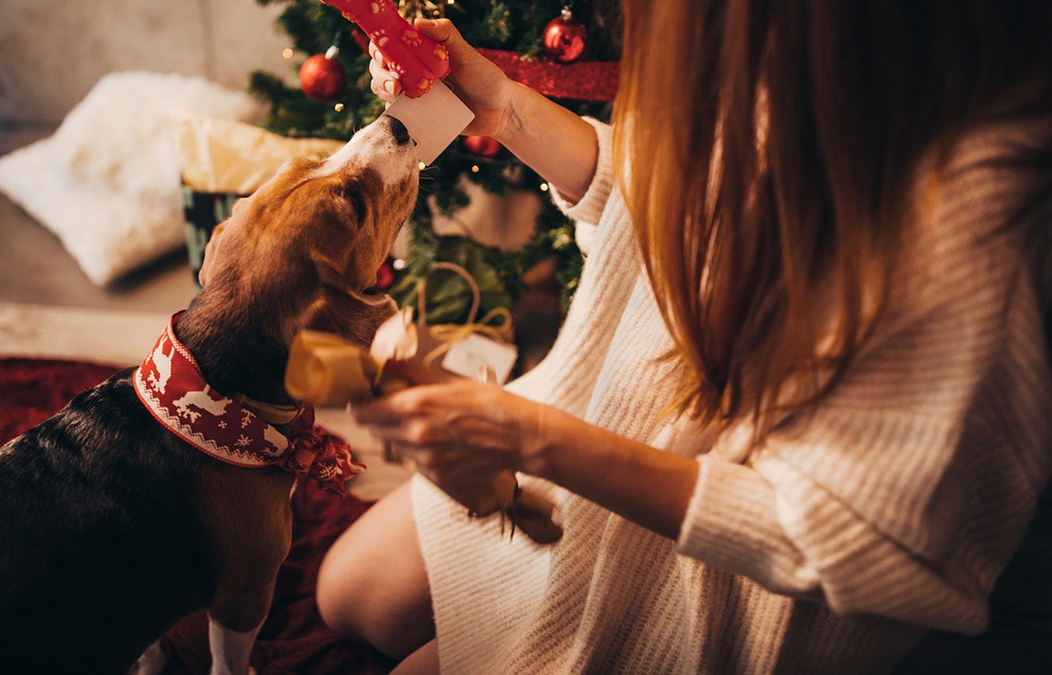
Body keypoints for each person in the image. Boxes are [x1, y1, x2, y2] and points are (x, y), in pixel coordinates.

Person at [316, 1, 1052, 672]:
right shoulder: (802, 69)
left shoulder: (969, 213)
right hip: (631, 413)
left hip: (742, 569)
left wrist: (535, 437)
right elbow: (672, 200)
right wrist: (508, 112)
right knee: (347, 594)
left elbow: (852, 543)